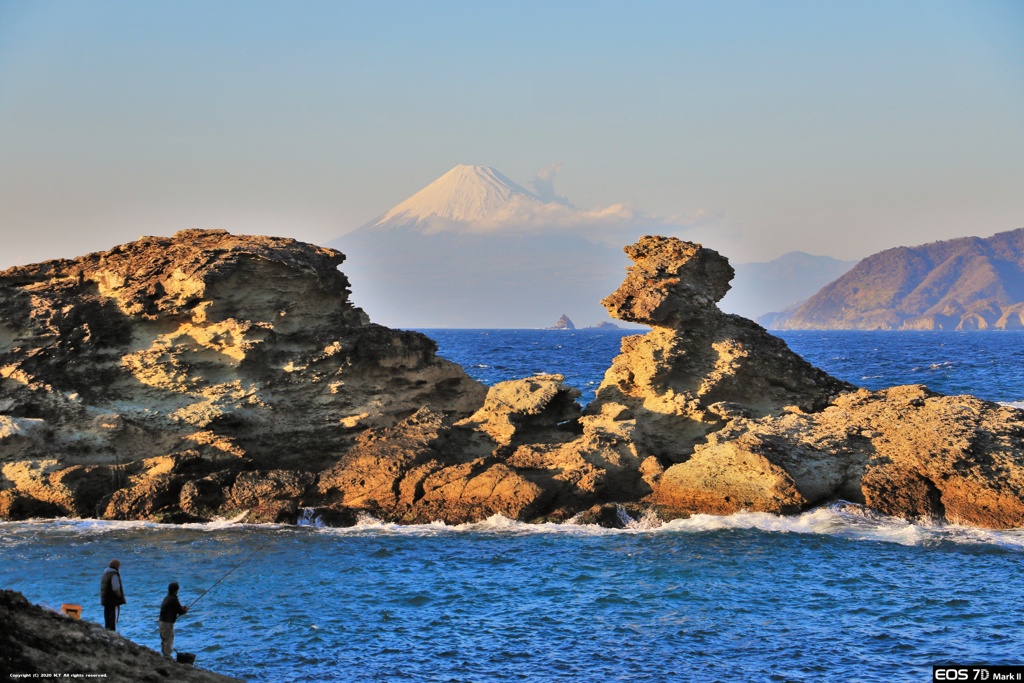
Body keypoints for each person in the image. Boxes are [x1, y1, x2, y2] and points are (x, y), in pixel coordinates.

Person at [158, 582, 189, 659]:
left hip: (161, 622)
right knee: (168, 640)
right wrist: (185, 610)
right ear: (176, 590)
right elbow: (180, 611)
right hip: (167, 623)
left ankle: (164, 655)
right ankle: (168, 657)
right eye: (177, 589)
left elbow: (175, 608)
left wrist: (182, 608)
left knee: (164, 640)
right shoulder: (173, 599)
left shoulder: (167, 598)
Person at [99, 559, 126, 630]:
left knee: (107, 617)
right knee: (114, 618)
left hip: (106, 600)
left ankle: (107, 631)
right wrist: (120, 596)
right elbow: (116, 588)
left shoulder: (105, 574)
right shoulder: (114, 575)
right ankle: (113, 632)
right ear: (117, 566)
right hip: (113, 601)